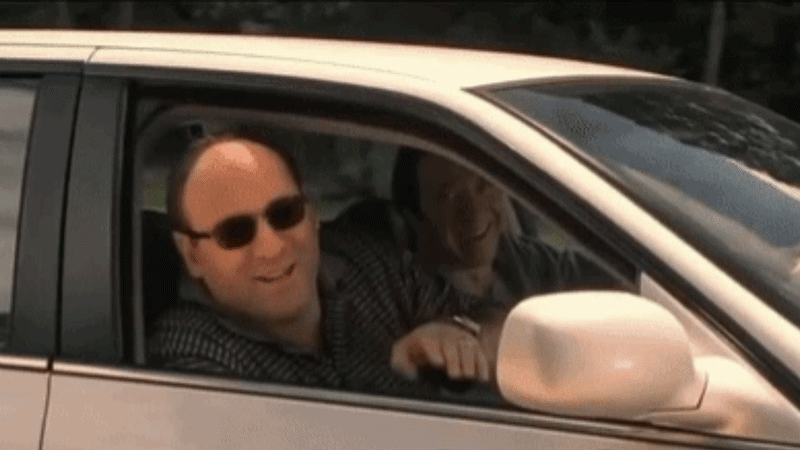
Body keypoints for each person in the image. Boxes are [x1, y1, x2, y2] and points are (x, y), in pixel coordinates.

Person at [146, 128, 506, 399]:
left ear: (313, 215)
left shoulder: (365, 263)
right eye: (235, 232)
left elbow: (500, 323)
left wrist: (461, 333)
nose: (271, 247)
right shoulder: (190, 360)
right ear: (192, 254)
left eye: (285, 214)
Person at [337, 147, 619, 306]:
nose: (474, 212)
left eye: (484, 185)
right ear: (415, 218)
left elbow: (620, 279)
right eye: (449, 198)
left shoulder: (524, 261)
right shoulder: (410, 300)